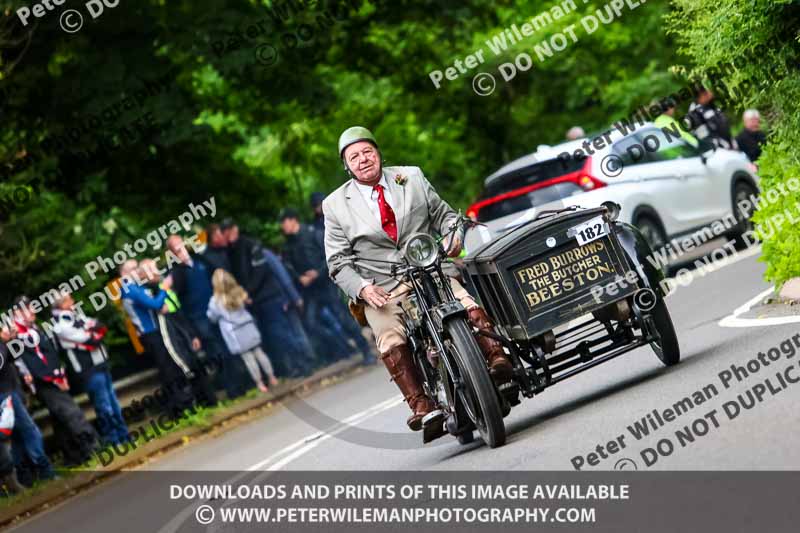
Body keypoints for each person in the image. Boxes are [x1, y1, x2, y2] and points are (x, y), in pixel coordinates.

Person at [323, 126, 513, 434]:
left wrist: (454, 236)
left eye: (367, 152)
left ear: (378, 153)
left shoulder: (410, 177)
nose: (362, 160)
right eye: (354, 156)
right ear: (346, 165)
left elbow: (445, 216)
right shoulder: (334, 205)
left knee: (465, 301)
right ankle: (420, 403)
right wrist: (363, 288)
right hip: (382, 286)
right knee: (388, 334)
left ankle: (495, 356)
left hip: (430, 270)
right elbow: (337, 262)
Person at [120, 260, 217, 417]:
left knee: (171, 368)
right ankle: (179, 408)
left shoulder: (138, 287)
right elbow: (155, 304)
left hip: (158, 331)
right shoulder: (130, 289)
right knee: (168, 370)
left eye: (138, 267)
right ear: (124, 274)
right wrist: (164, 289)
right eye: (133, 269)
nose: (137, 271)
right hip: (151, 334)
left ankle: (185, 405)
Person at [280, 208, 376, 365]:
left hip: (326, 284)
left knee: (344, 318)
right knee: (311, 323)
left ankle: (366, 350)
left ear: (292, 220)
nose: (283, 227)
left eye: (284, 222)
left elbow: (331, 256)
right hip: (310, 291)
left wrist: (317, 273)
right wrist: (300, 278)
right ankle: (342, 348)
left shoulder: (313, 233)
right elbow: (289, 267)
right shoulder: (289, 245)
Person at [222, 219, 316, 378]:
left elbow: (261, 271)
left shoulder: (251, 245)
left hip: (270, 297)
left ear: (234, 229)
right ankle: (297, 365)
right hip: (258, 301)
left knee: (285, 333)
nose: (226, 236)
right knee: (278, 336)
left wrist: (247, 293)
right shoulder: (232, 251)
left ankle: (304, 363)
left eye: (227, 232)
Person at [11, 296, 98, 466]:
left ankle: (72, 455)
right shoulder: (17, 335)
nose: (33, 311)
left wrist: (60, 374)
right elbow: (29, 363)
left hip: (53, 377)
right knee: (70, 412)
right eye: (28, 309)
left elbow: (49, 354)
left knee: (60, 417)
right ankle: (92, 445)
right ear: (18, 313)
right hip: (43, 381)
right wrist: (52, 378)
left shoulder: (34, 329)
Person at [166, 234, 247, 399]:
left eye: (181, 245)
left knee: (229, 347)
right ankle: (232, 389)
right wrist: (192, 332)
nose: (181, 250)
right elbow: (178, 305)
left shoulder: (201, 261)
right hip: (199, 319)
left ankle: (242, 383)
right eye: (176, 248)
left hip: (219, 312)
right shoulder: (176, 274)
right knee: (217, 353)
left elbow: (218, 278)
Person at [51, 293, 130, 446]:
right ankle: (113, 439)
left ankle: (124, 435)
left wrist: (92, 331)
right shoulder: (60, 325)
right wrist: (91, 332)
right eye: (69, 299)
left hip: (101, 364)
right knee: (103, 406)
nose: (73, 301)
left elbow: (99, 326)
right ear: (62, 304)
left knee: (113, 403)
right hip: (88, 370)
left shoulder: (76, 316)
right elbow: (90, 339)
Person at [207, 269, 279, 393]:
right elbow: (248, 302)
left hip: (235, 333)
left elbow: (211, 317)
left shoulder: (215, 301)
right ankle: (272, 377)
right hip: (248, 326)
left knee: (249, 359)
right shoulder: (239, 292)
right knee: (260, 353)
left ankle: (260, 384)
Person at [0, 331, 50, 489]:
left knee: (18, 438)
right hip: (4, 394)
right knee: (30, 431)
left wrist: (13, 340)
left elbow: (13, 356)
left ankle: (25, 477)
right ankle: (45, 471)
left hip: (11, 390)